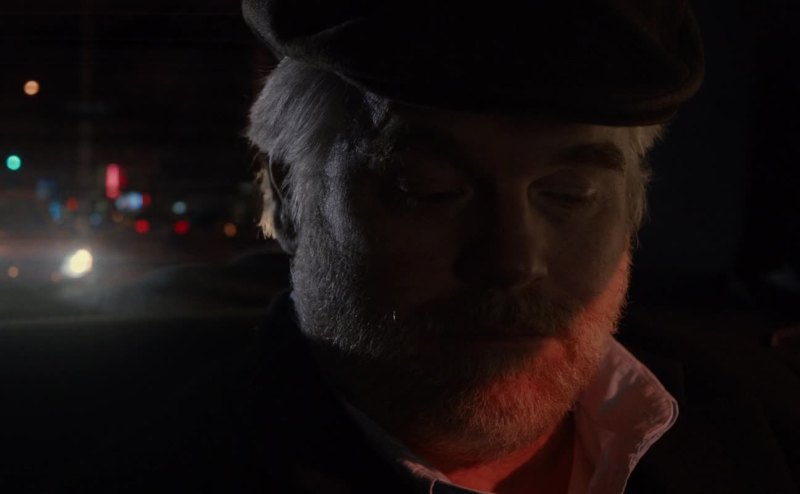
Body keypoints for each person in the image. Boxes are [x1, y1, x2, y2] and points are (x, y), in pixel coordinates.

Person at [235, 1, 800, 493]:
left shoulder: (768, 419)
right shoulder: (190, 453)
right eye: (430, 191)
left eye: (570, 194)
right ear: (288, 198)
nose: (513, 260)